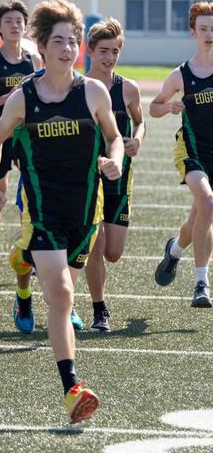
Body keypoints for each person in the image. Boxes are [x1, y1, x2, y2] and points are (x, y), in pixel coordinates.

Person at [0, 0, 122, 424]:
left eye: (73, 41)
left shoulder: (94, 92)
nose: (67, 48)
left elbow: (114, 137)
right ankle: (72, 389)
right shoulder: (24, 98)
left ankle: (21, 273)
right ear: (40, 46)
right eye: (58, 41)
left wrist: (114, 158)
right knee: (61, 293)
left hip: (85, 211)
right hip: (42, 212)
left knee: (61, 288)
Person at [82, 19, 144, 330]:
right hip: (89, 179)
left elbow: (140, 122)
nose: (109, 57)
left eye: (115, 51)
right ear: (90, 51)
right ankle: (99, 310)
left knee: (114, 252)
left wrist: (137, 140)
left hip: (121, 177)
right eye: (104, 51)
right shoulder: (80, 89)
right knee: (97, 240)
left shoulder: (128, 88)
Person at [151, 1, 213, 308]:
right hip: (192, 151)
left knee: (200, 216)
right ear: (193, 32)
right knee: (208, 203)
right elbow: (154, 106)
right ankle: (202, 283)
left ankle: (174, 250)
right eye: (203, 28)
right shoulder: (181, 75)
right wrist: (169, 107)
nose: (209, 34)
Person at [0, 0, 42, 281]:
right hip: (0, 135)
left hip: (27, 136)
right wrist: (10, 98)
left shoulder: (34, 59)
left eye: (19, 21)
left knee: (32, 193)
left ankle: (31, 247)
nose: (15, 26)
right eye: (9, 22)